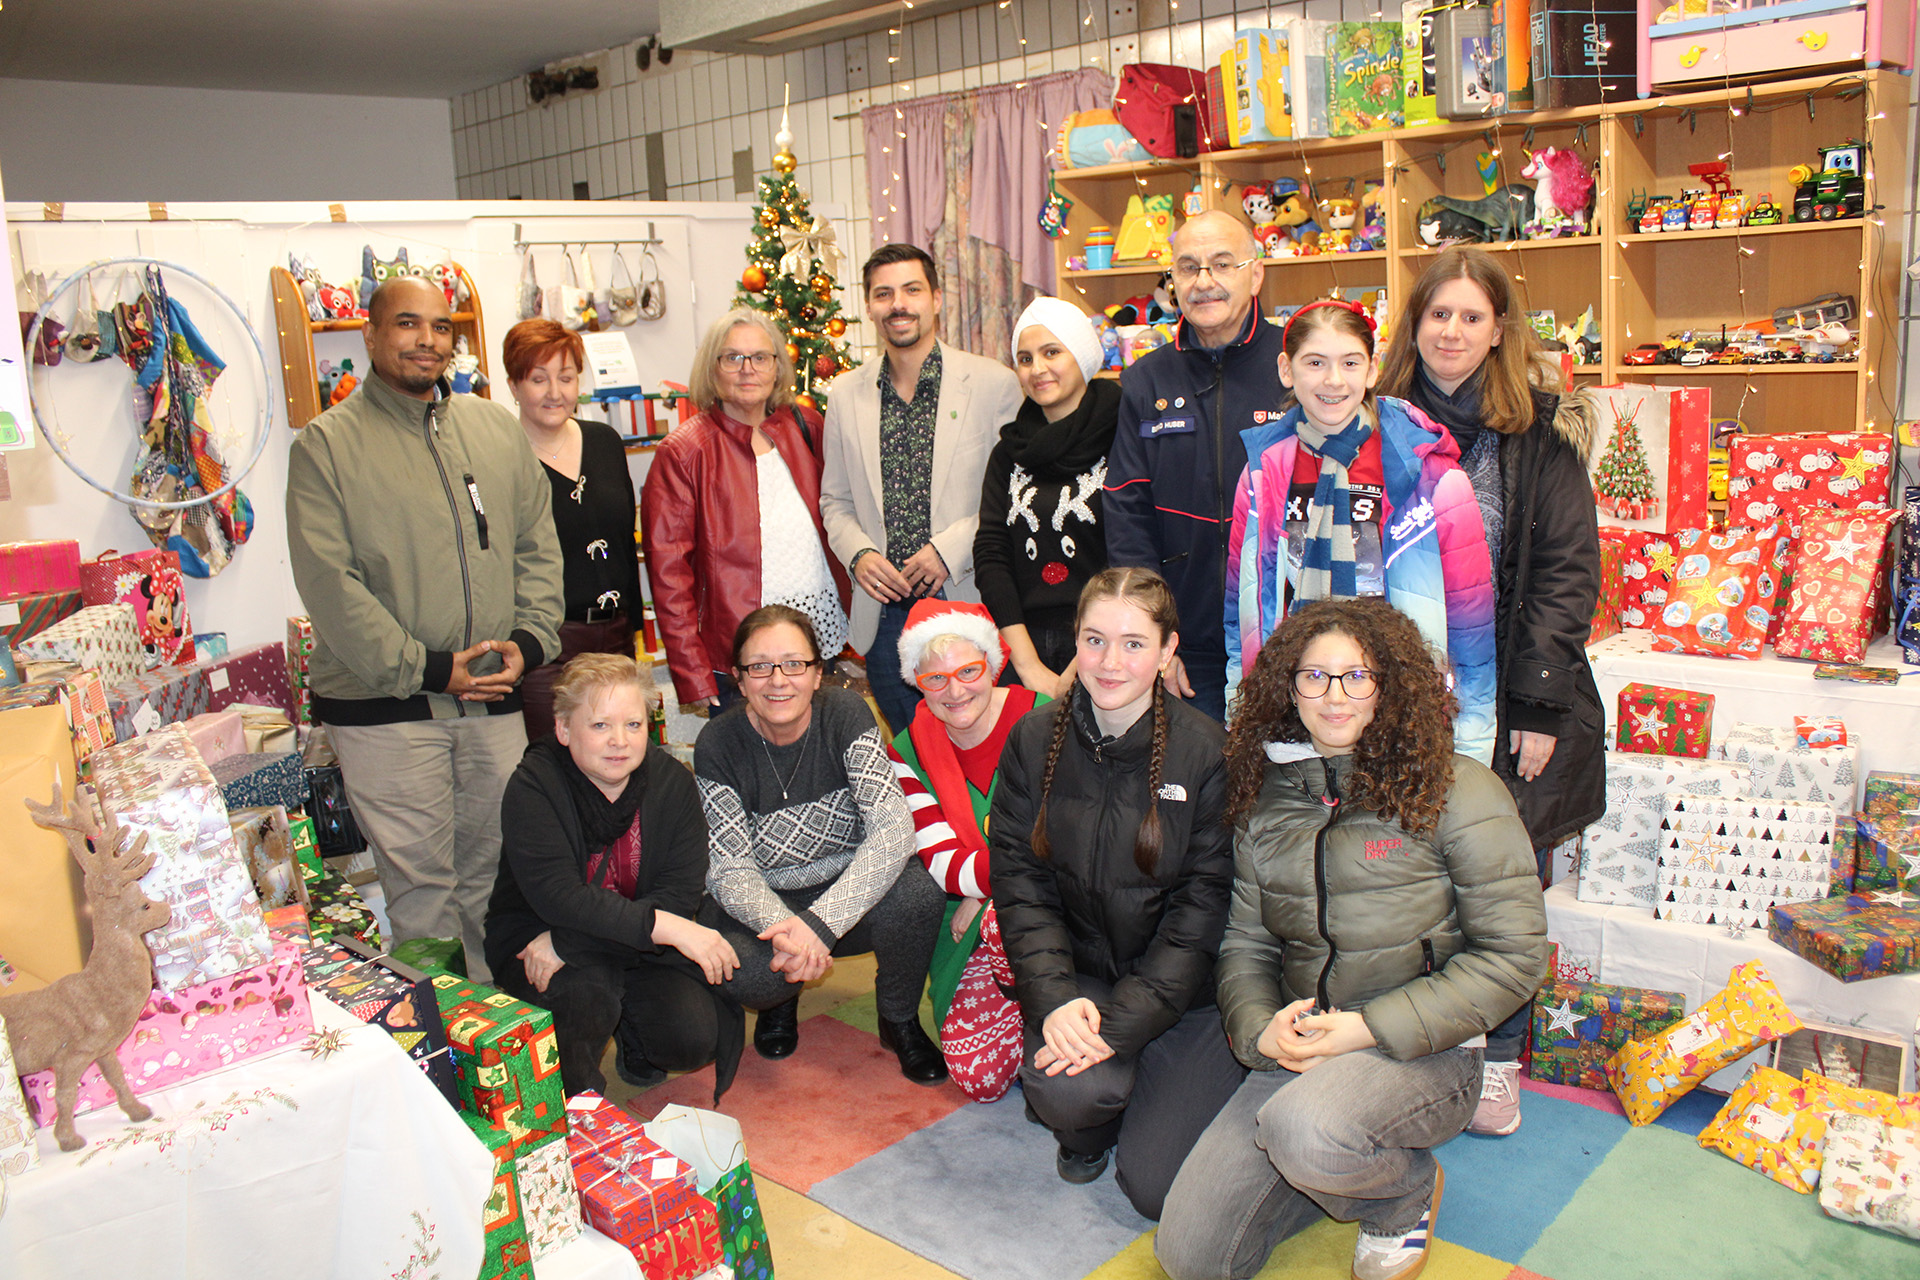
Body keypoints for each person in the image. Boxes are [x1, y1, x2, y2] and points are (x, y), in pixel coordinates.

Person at [1155, 598, 1548, 1280]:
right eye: (1314, 677)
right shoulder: (1266, 800)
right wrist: (1258, 1032)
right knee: (1191, 1259)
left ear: (1390, 683)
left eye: (1356, 676)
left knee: (1305, 1132)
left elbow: (1515, 957)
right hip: (1303, 1057)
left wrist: (1367, 1028)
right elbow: (1245, 947)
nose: (1334, 696)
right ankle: (1325, 1160)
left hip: (1426, 1052)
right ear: (1288, 687)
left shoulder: (1462, 789)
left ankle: (1401, 1195)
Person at [1378, 245, 1605, 1137]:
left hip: (1507, 701)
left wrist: (1541, 709)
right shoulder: (1374, 428)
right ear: (1416, 324)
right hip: (1399, 698)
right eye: (1439, 315)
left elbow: (1563, 575)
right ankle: (1443, 1043)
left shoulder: (1538, 438)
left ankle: (1502, 1054)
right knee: (1412, 878)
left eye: (1473, 316)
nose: (1454, 332)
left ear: (1498, 328)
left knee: (1505, 881)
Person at [287, 275, 562, 981]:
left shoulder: (492, 428)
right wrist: (434, 670)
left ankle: (501, 1043)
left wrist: (528, 643)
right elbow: (331, 585)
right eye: (408, 325)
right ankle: (444, 1049)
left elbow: (537, 544)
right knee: (421, 892)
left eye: (441, 328)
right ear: (371, 335)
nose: (427, 340)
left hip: (492, 703)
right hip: (387, 712)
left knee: (497, 879)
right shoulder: (326, 446)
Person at [990, 567, 1244, 1219]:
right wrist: (1053, 1000)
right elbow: (1021, 887)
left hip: (1186, 1000)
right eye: (1094, 639)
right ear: (1073, 642)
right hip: (1084, 979)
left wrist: (1123, 1025)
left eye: (1134, 643)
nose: (1109, 662)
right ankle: (1092, 1121)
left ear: (1166, 653)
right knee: (1068, 1094)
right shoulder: (1032, 739)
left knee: (1155, 1190)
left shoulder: (1207, 753)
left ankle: (1162, 1089)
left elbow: (1202, 913)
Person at [1225, 299, 1498, 765]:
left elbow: (1471, 624)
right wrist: (1240, 714)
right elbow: (1241, 612)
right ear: (1286, 370)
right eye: (1315, 363)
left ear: (1372, 369)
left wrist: (1471, 751)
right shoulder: (1261, 476)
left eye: (1350, 363)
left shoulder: (1430, 475)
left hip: (1400, 719)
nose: (1334, 381)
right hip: (1292, 719)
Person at [693, 605, 948, 1084]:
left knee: (918, 895)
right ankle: (781, 1001)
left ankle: (898, 1018)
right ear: (739, 679)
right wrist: (790, 930)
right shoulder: (718, 744)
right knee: (747, 975)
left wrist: (821, 923)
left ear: (816, 674)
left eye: (794, 663)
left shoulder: (846, 714)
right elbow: (729, 871)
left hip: (847, 896)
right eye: (759, 666)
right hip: (774, 906)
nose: (778, 680)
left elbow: (894, 830)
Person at [486, 654, 739, 1098]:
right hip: (537, 939)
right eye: (600, 725)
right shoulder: (534, 785)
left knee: (694, 1038)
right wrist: (662, 927)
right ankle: (580, 1107)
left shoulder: (671, 783)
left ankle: (632, 1036)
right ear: (564, 729)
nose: (619, 741)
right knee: (586, 995)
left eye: (634, 725)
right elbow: (558, 899)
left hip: (584, 943)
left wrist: (568, 943)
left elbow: (678, 897)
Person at [819, 244, 1022, 734]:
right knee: (916, 756)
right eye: (883, 294)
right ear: (868, 306)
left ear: (935, 298)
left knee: (992, 752)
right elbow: (835, 501)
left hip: (972, 597)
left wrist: (948, 551)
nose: (898, 304)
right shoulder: (845, 395)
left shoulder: (995, 384)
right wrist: (861, 555)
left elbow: (1015, 494)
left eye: (911, 290)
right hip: (887, 614)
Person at [1103, 210, 1286, 722]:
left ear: (1255, 273)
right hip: (1188, 650)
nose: (1204, 282)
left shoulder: (1295, 366)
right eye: (1188, 268)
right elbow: (1128, 515)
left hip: (1288, 640)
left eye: (1222, 264)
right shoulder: (1146, 379)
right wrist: (1153, 639)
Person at [641, 308, 848, 715]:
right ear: (712, 370)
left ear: (777, 367)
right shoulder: (683, 452)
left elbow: (842, 513)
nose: (746, 370)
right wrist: (691, 672)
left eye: (759, 357)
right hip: (740, 660)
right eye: (732, 358)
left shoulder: (807, 426)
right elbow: (669, 576)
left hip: (819, 647)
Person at [884, 599, 1043, 1098]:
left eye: (968, 670)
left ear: (992, 664)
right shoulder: (906, 751)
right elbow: (948, 869)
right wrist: (993, 884)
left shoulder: (1045, 719)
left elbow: (1073, 841)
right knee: (980, 1079)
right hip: (967, 931)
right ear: (916, 682)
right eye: (935, 679)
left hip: (1057, 912)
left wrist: (990, 892)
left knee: (1005, 917)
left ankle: (1047, 1027)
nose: (955, 690)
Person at [973, 297, 1120, 698]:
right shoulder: (1009, 452)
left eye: (1051, 352)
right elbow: (992, 552)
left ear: (1082, 355)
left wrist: (1089, 655)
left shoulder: (1124, 438)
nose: (1037, 369)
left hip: (1110, 644)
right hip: (1024, 645)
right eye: (1024, 358)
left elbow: (1133, 549)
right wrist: (1027, 665)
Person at [503, 319, 642, 741]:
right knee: (555, 772)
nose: (555, 392)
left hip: (615, 637)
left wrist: (632, 630)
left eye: (566, 378)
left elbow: (622, 545)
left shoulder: (603, 441)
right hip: (546, 646)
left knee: (619, 763)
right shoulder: (502, 457)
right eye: (538, 379)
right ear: (513, 385)